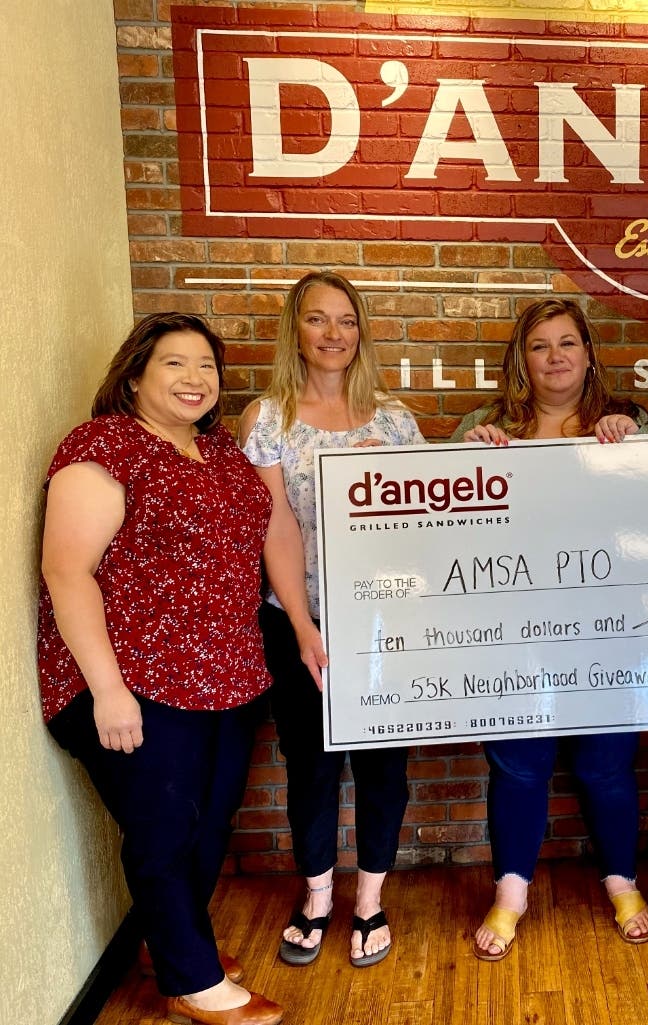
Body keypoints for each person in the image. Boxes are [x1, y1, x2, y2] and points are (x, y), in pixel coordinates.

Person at [38, 313, 283, 1025]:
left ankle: (168, 942)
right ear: (135, 375)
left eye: (206, 365)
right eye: (174, 363)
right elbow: (67, 571)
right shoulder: (103, 447)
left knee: (209, 822)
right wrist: (108, 691)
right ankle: (193, 983)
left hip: (228, 675)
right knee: (164, 826)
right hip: (135, 679)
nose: (194, 378)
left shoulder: (221, 451)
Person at [449, 297, 648, 961]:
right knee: (518, 763)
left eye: (567, 342)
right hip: (514, 630)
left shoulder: (630, 422)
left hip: (609, 626)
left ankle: (622, 881)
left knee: (606, 763)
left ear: (589, 353)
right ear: (522, 359)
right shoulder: (483, 426)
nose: (555, 357)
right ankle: (511, 890)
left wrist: (639, 449)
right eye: (539, 345)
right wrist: (465, 459)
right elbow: (444, 527)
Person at [240, 271, 423, 969]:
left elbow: (427, 525)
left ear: (361, 331)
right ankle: (317, 897)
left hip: (385, 625)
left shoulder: (395, 421)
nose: (333, 333)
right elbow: (276, 527)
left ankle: (370, 899)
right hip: (302, 619)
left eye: (346, 320)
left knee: (384, 767)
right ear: (296, 329)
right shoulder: (268, 419)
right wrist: (302, 625)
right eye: (317, 319)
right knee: (312, 767)